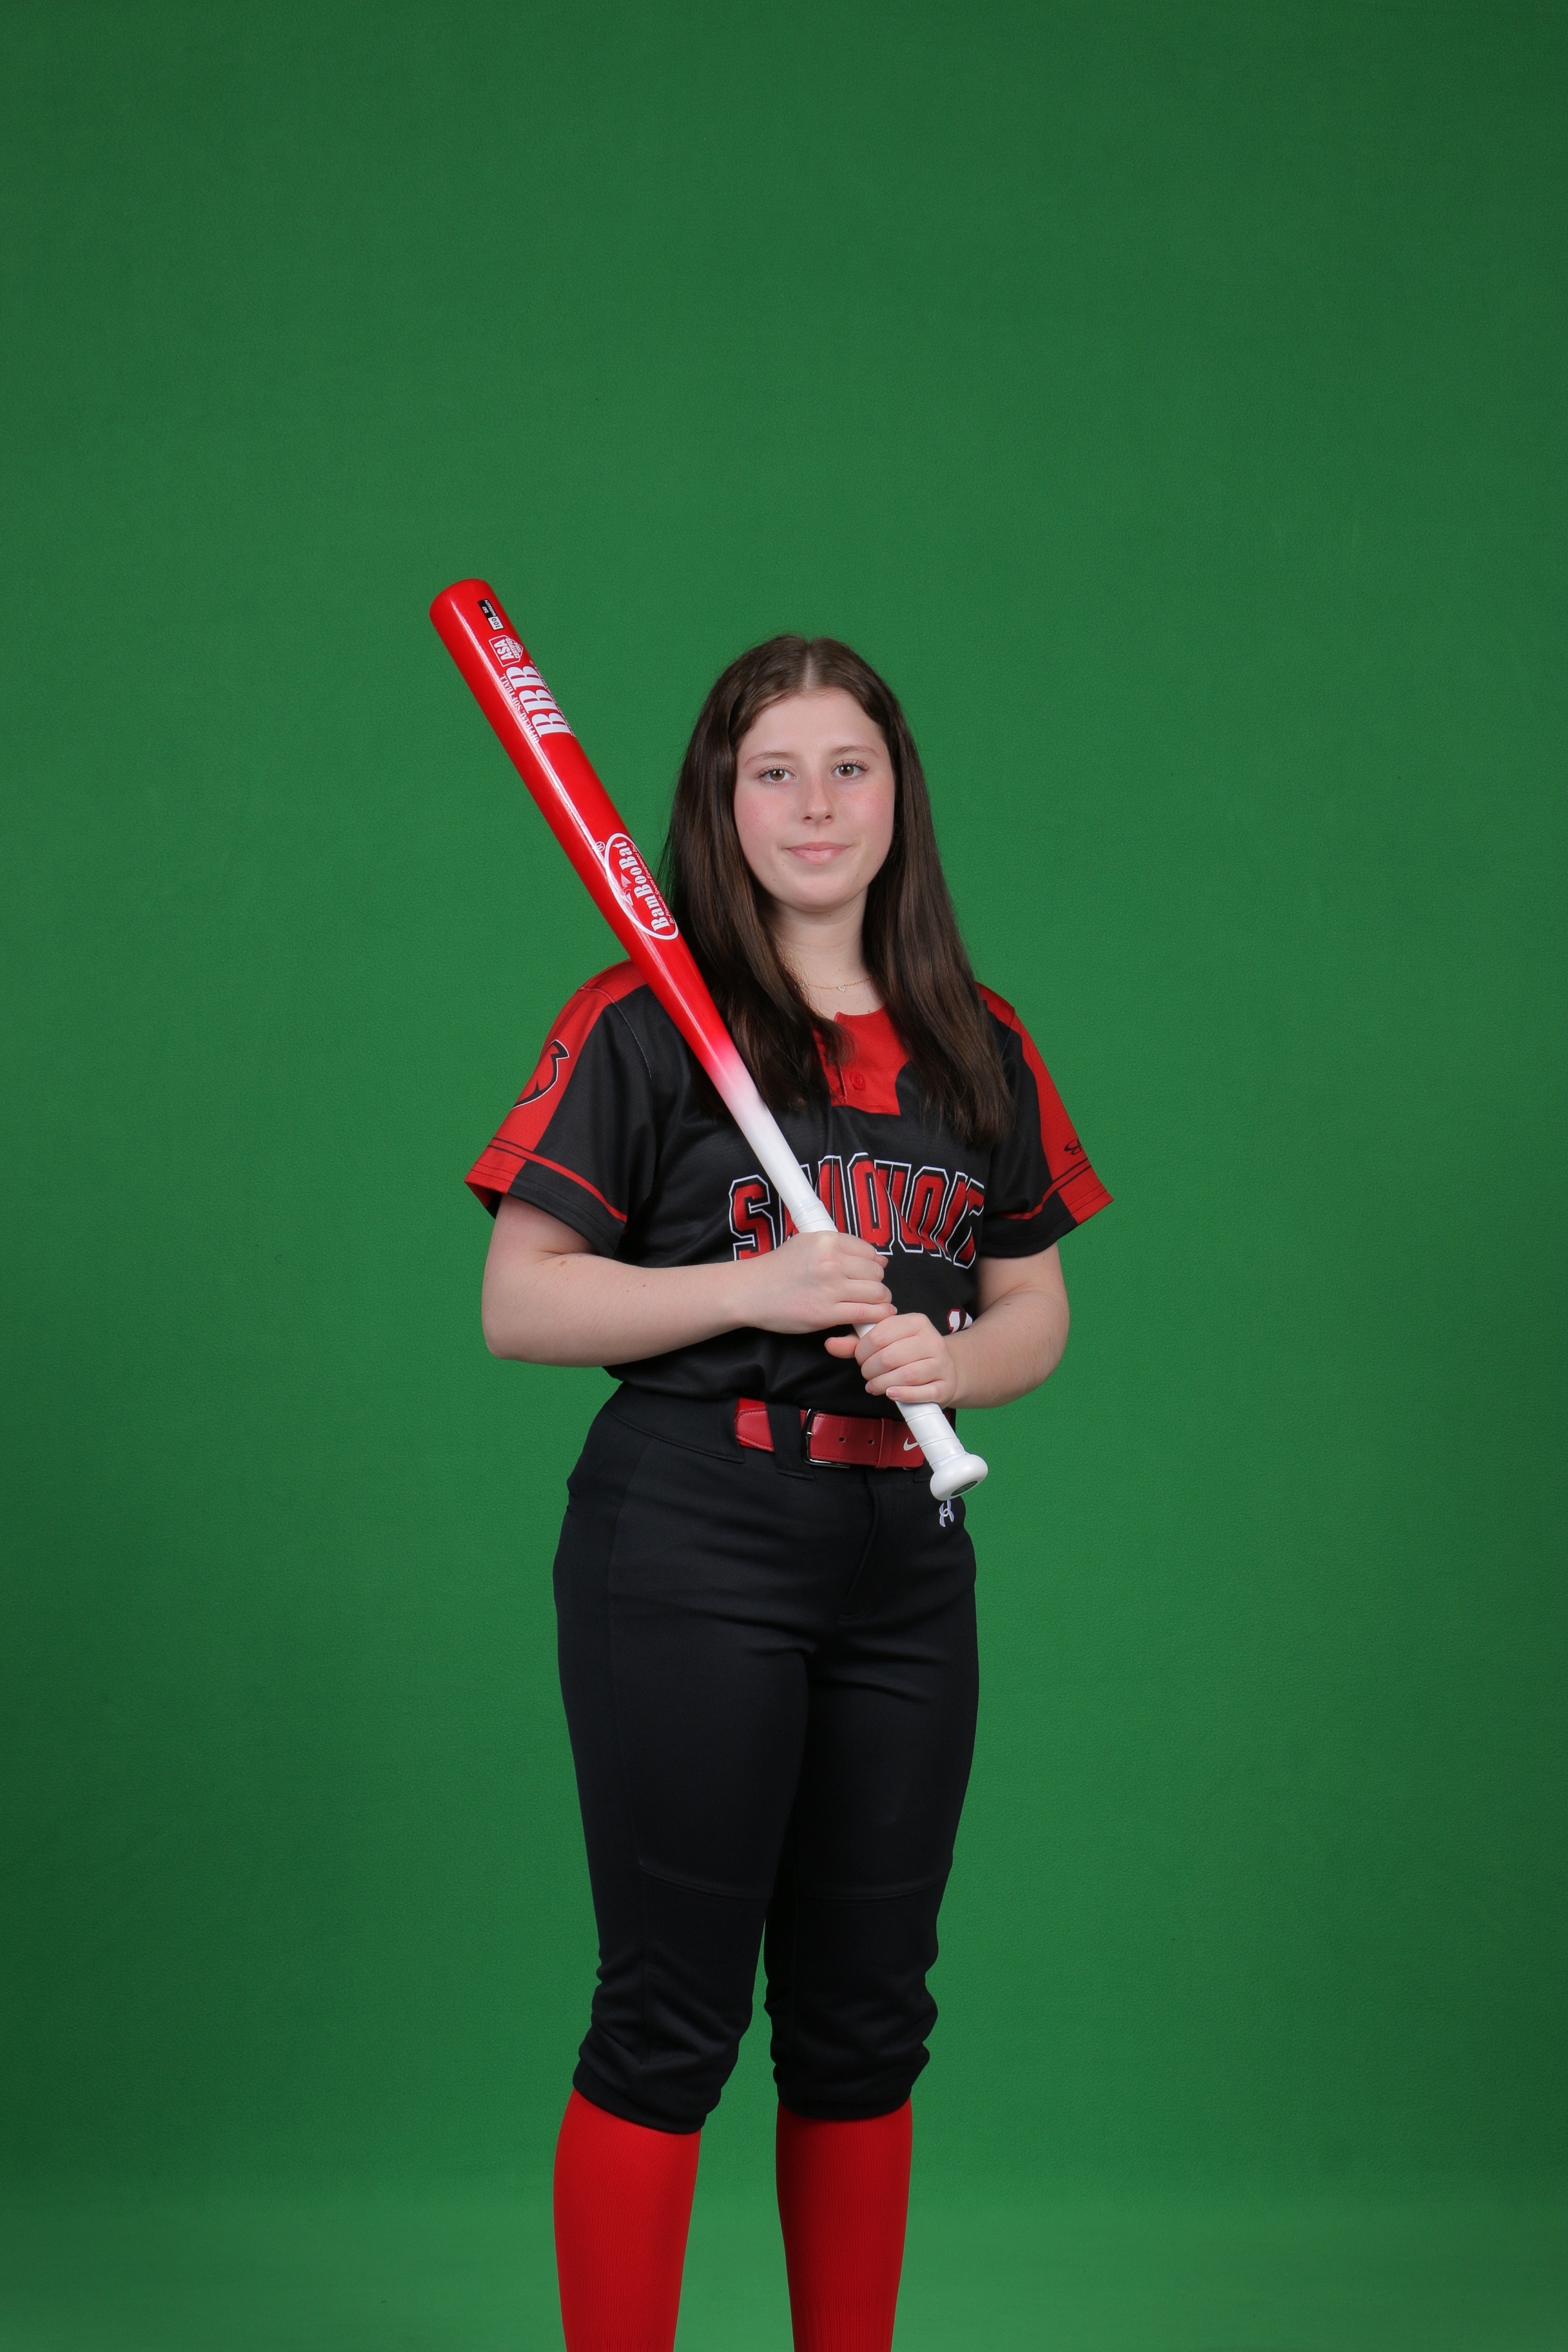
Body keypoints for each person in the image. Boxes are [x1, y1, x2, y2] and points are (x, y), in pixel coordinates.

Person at [467, 636, 1110, 2352]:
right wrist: (751, 1288)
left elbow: (1036, 1307)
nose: (815, 806)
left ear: (899, 797)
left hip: (907, 1554)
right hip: (694, 1536)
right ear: (722, 804)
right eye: (775, 772)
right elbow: (520, 1302)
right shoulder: (639, 1023)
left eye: (849, 767)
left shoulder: (978, 1039)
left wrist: (951, 1365)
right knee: (671, 2021)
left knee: (867, 2025)